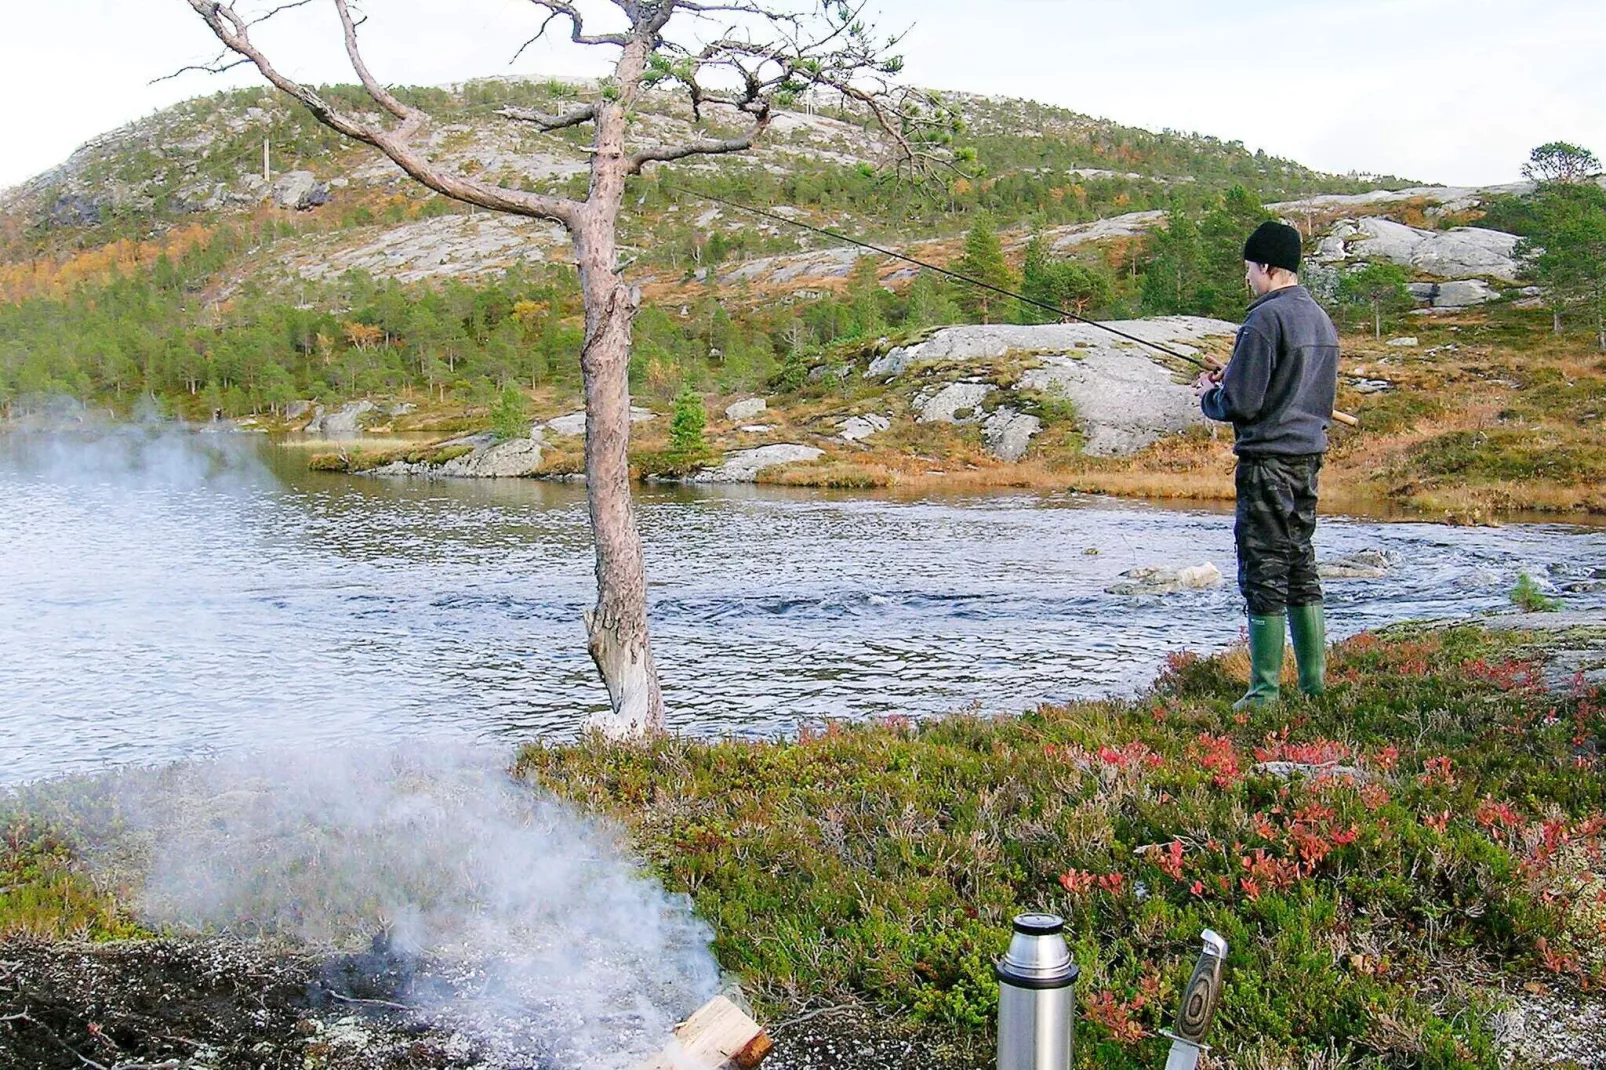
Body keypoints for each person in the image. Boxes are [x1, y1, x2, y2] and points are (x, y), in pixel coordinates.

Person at [1194, 220, 1340, 709]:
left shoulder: (1264, 319)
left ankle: (1264, 691)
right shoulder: (1319, 320)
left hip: (1267, 464)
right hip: (1307, 461)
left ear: (1267, 267)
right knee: (1300, 564)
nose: (1248, 279)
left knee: (1263, 567)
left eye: (1250, 270)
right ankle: (1314, 686)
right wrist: (1234, 377)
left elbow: (1242, 403)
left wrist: (1211, 395)